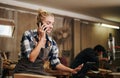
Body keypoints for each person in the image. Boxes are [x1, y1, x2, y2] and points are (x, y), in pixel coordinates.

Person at [14, 9, 83, 76]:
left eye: (52, 24)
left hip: (38, 71)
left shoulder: (52, 42)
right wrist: (41, 40)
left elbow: (55, 63)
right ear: (40, 23)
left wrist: (71, 70)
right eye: (48, 23)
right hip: (23, 71)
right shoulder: (28, 35)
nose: (51, 26)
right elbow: (31, 58)